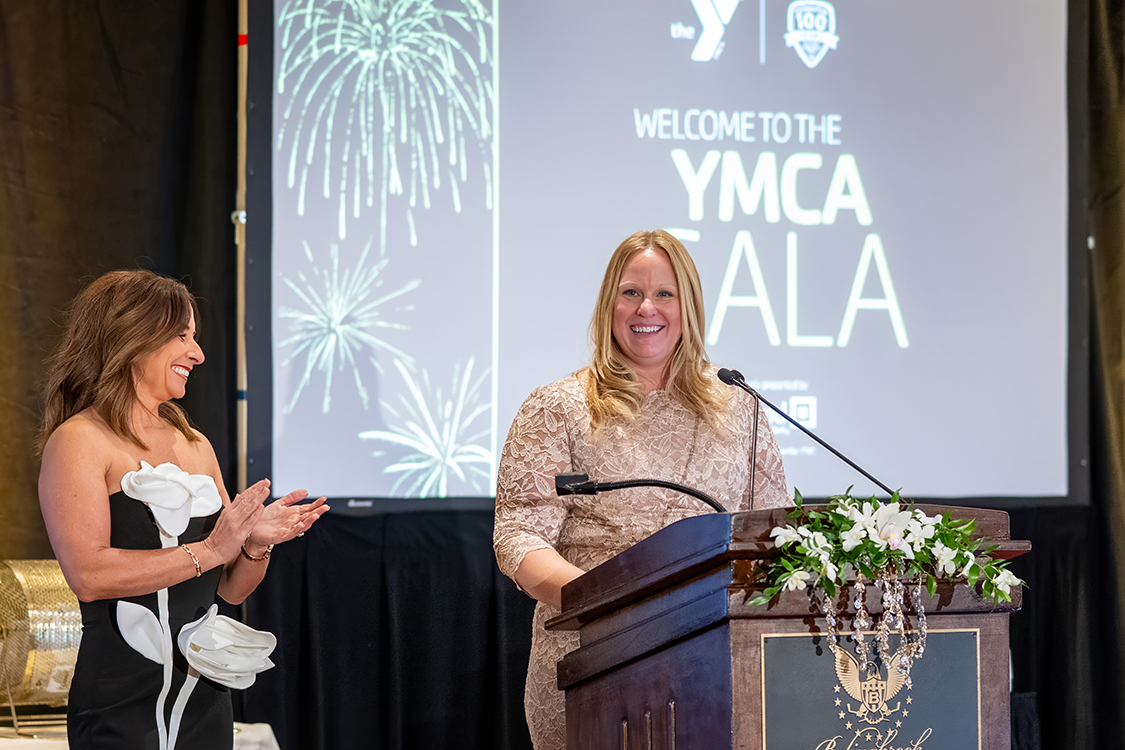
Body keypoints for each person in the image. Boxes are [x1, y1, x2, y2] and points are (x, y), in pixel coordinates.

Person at [493, 229, 790, 750]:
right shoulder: (557, 407)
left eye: (663, 293)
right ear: (608, 305)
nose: (645, 308)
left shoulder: (740, 406)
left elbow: (773, 533)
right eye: (630, 292)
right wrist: (612, 608)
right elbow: (518, 538)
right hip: (595, 664)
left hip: (717, 669)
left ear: (688, 306)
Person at [37, 270, 329, 750]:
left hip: (204, 704)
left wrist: (254, 545)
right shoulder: (80, 441)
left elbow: (230, 589)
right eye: (182, 335)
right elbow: (88, 574)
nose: (198, 353)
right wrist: (212, 548)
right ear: (133, 336)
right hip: (119, 705)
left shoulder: (196, 445)